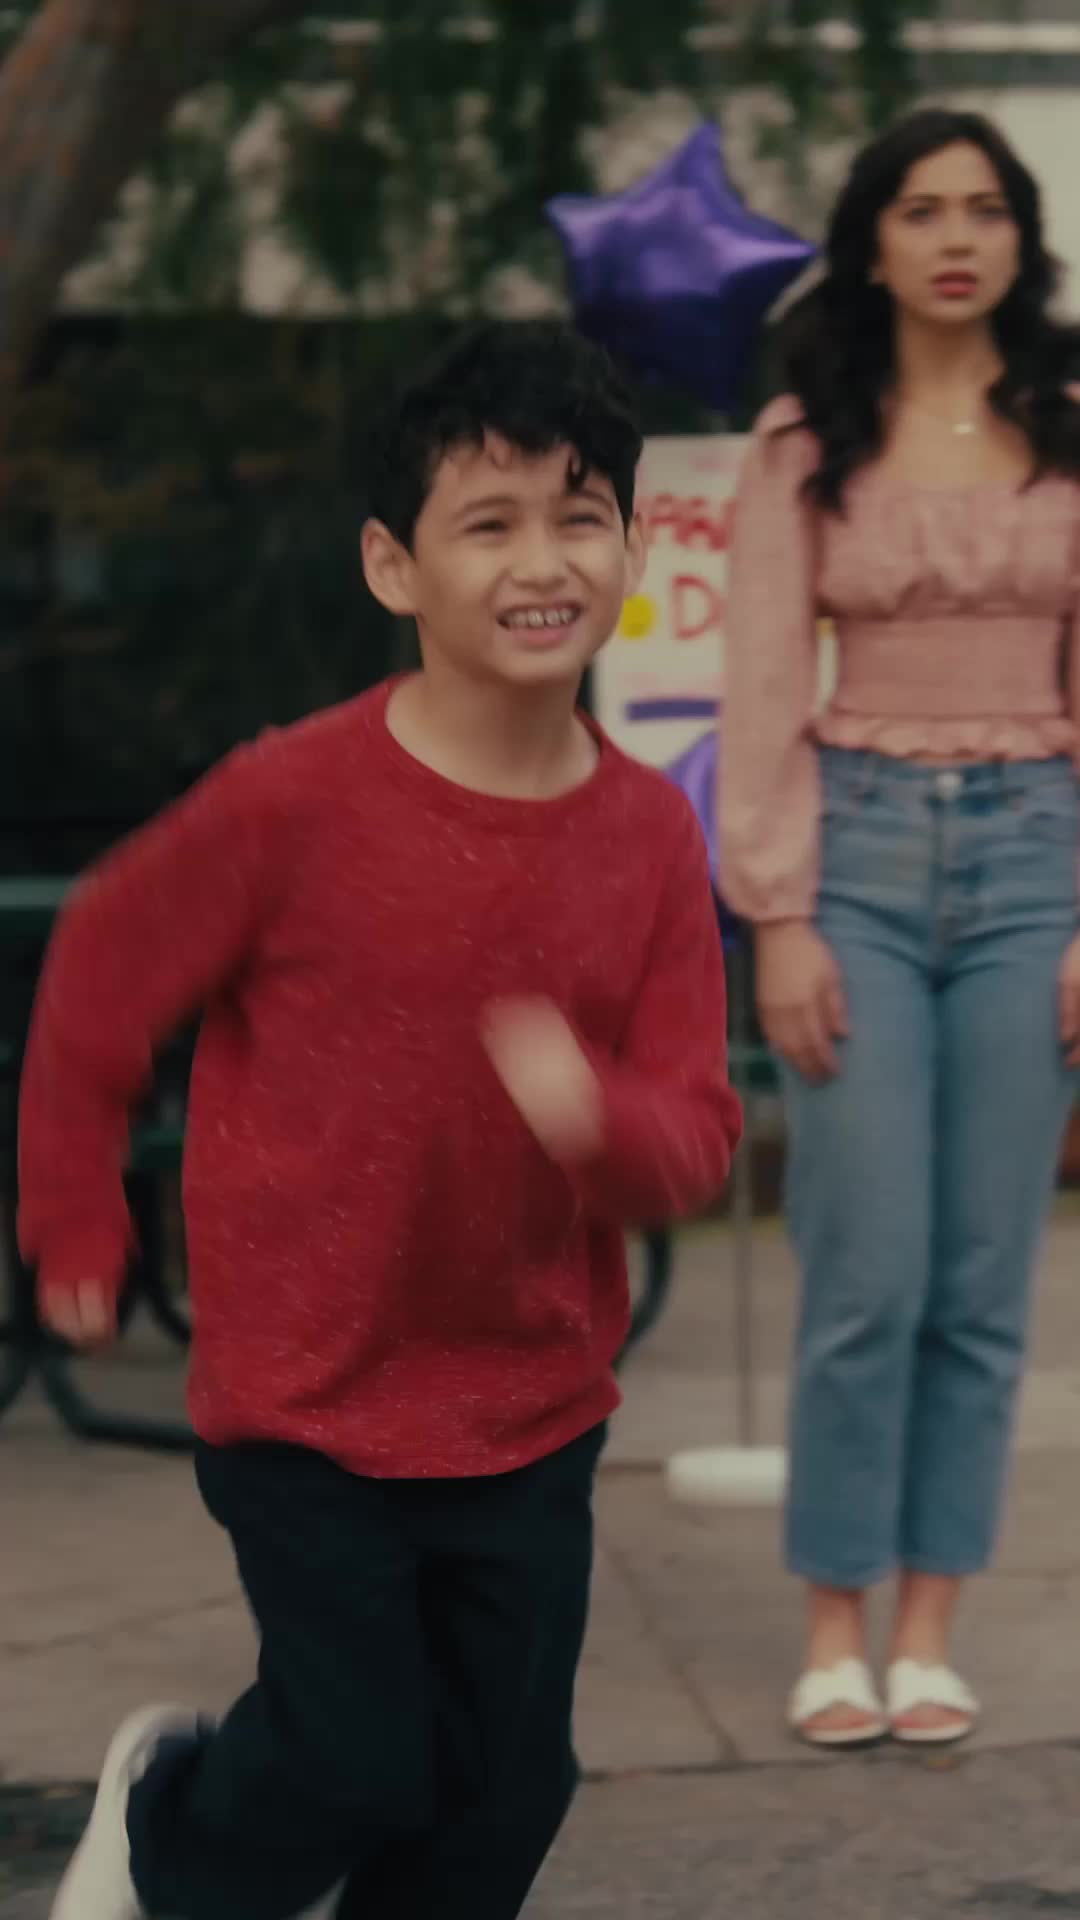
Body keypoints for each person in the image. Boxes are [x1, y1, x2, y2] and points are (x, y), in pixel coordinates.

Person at [17, 319, 740, 1920]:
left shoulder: (646, 836)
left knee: (504, 1791)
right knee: (352, 1758)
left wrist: (603, 1121)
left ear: (630, 548)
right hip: (307, 1394)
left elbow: (695, 1126)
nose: (541, 560)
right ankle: (171, 1827)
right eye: (488, 523)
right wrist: (73, 1210)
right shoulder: (292, 798)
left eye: (581, 515)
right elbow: (102, 970)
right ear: (392, 565)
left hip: (528, 1404)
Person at [720, 107, 1080, 1749]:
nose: (956, 238)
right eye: (923, 209)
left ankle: (930, 1625)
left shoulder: (1071, 425)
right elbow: (761, 685)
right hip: (854, 856)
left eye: (984, 210)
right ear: (872, 240)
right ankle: (833, 1624)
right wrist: (778, 916)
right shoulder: (807, 441)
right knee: (866, 1269)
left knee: (984, 1276)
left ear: (1021, 239)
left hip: (1039, 861)